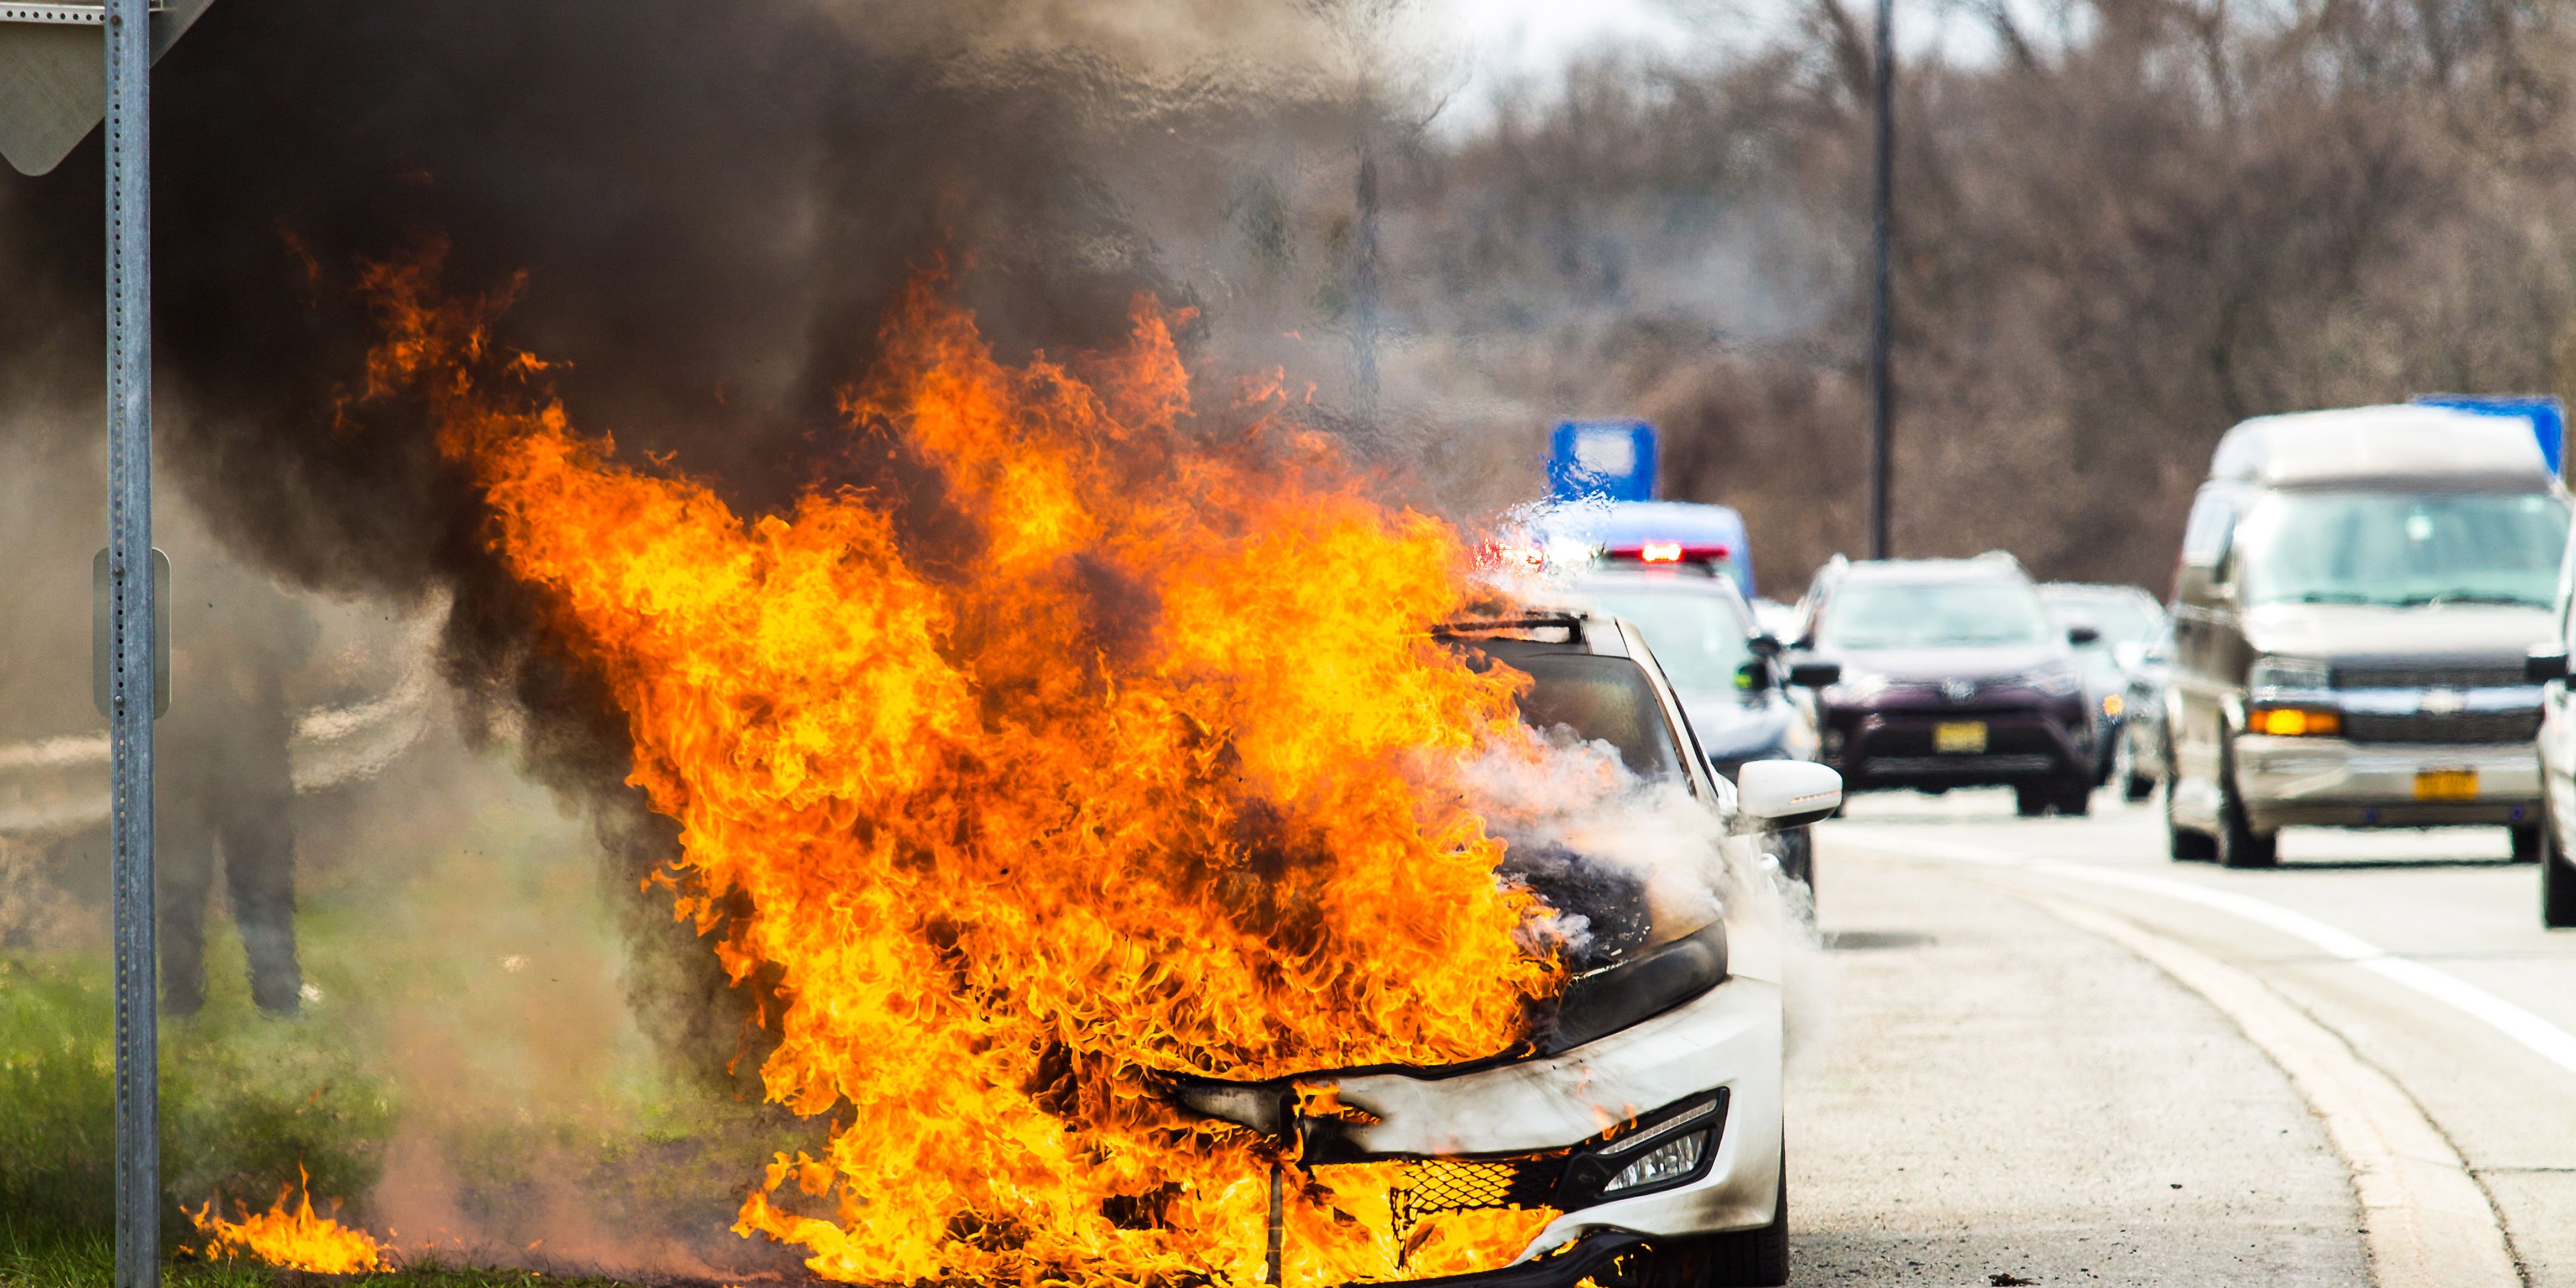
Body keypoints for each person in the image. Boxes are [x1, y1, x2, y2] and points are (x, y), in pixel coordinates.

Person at [157, 556, 316, 1017]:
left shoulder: (257, 583)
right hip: (190, 764)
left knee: (257, 888)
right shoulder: (172, 582)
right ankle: (184, 1003)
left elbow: (300, 644)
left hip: (250, 766)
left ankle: (275, 1000)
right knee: (184, 889)